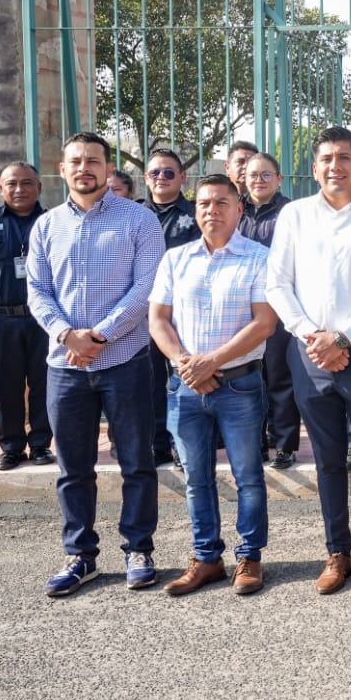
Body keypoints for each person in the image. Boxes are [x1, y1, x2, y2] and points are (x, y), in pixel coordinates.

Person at [265, 127, 351, 596]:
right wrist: (315, 337)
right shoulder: (295, 216)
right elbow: (277, 285)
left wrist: (342, 337)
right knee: (326, 459)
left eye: (344, 157)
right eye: (326, 158)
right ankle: (337, 551)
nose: (334, 166)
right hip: (309, 355)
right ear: (315, 166)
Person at [28, 132, 166, 596]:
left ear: (109, 169)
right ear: (62, 169)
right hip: (64, 365)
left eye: (93, 161)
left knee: (136, 461)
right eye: (76, 162)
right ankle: (80, 555)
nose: (84, 168)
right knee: (72, 468)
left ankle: (138, 548)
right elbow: (38, 291)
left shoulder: (140, 220)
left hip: (125, 360)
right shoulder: (46, 226)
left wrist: (100, 335)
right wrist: (68, 335)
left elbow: (145, 287)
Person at [148, 175, 276, 596]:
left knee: (248, 477)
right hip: (186, 387)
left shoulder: (258, 257)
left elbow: (264, 323)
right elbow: (159, 320)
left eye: (222, 202)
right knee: (195, 479)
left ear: (239, 209)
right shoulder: (176, 259)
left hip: (238, 386)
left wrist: (210, 363)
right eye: (203, 203)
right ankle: (206, 559)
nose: (211, 210)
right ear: (195, 209)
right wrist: (186, 365)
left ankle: (249, 558)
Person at [238, 152, 299, 470]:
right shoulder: (235, 210)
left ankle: (284, 444)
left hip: (277, 308)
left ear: (278, 178)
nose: (258, 181)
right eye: (252, 175)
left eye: (265, 175)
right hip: (239, 308)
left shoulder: (290, 213)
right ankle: (254, 443)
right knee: (248, 377)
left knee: (278, 376)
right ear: (243, 179)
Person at [144, 148, 200, 467]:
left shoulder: (195, 214)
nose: (162, 178)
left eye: (169, 172)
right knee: (151, 382)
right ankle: (158, 444)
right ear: (146, 178)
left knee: (184, 379)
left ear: (182, 177)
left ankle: (183, 447)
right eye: (155, 172)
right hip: (145, 313)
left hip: (185, 312)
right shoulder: (134, 214)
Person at [0, 163, 54, 469]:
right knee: (6, 385)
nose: (20, 190)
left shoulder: (54, 222)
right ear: (2, 188)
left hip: (44, 319)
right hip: (2, 319)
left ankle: (41, 444)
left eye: (27, 183)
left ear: (39, 187)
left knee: (45, 382)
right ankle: (12, 446)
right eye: (12, 184)